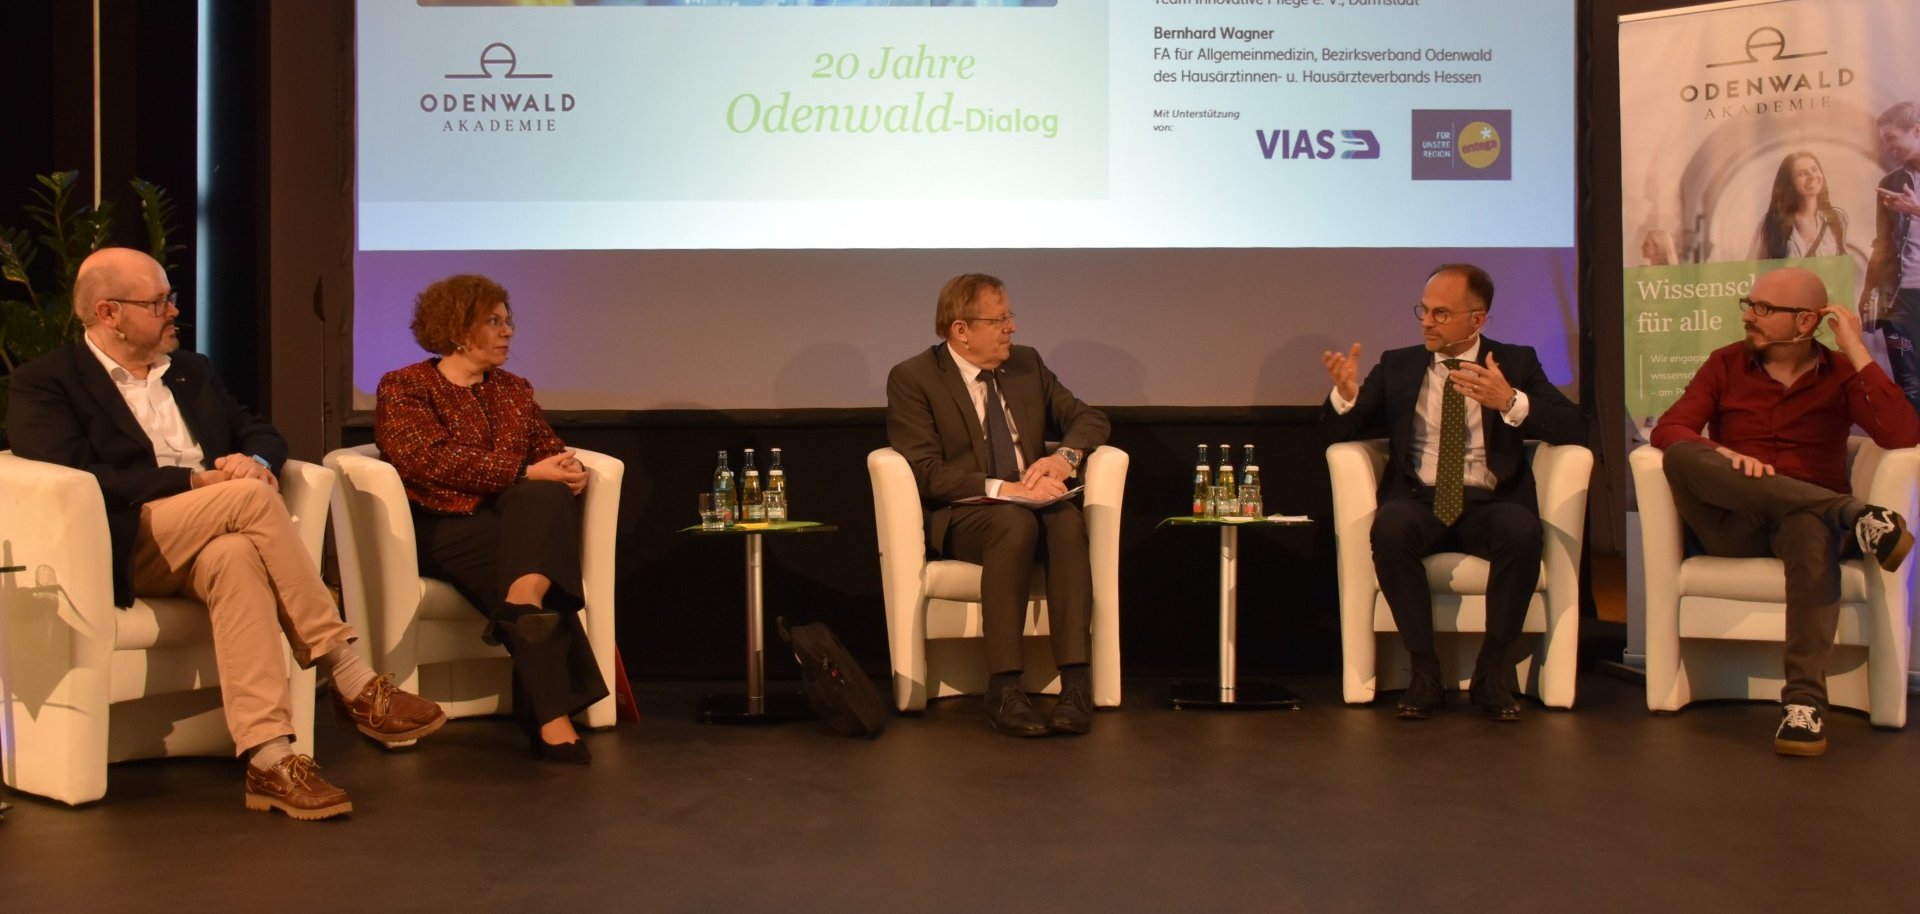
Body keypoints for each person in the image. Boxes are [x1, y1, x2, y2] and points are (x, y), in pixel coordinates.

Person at [6, 247, 446, 821]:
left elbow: (258, 430)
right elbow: (79, 476)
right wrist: (197, 480)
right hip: (124, 539)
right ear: (108, 313)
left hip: (214, 534)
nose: (173, 313)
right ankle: (350, 673)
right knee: (243, 501)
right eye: (158, 302)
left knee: (237, 554)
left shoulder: (191, 370)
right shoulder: (47, 382)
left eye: (172, 299)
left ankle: (270, 757)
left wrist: (258, 463)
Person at [1652, 266, 1919, 757]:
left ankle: (1804, 704)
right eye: (1748, 305)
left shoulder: (1839, 372)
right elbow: (1669, 429)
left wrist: (1857, 350)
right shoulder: (1725, 364)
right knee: (1684, 455)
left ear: (1804, 323)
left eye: (1763, 309)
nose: (1749, 316)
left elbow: (1903, 436)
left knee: (1807, 529)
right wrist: (1725, 456)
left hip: (1804, 524)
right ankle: (1853, 514)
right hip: (1733, 524)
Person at [1321, 264, 1586, 722]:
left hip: (1489, 502)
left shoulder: (1516, 361)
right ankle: (1424, 670)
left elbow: (1574, 426)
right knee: (1390, 527)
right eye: (1423, 310)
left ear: (1477, 320)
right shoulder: (1398, 365)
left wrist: (1509, 401)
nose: (1426, 321)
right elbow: (1339, 431)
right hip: (1421, 500)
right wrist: (1344, 395)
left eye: (1441, 314)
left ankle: (1491, 671)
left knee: (1522, 532)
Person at [374, 274, 607, 764]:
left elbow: (547, 449)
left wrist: (571, 468)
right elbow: (425, 459)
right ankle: (550, 712)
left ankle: (522, 606)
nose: (509, 332)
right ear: (459, 330)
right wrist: (524, 471)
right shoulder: (406, 386)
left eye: (508, 321)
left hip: (511, 522)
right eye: (494, 322)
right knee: (532, 503)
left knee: (544, 499)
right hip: (443, 524)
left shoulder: (514, 390)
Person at [884, 273, 1110, 737]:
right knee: (1014, 525)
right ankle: (1004, 688)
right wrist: (1006, 490)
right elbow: (927, 471)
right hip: (968, 512)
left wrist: (1063, 459)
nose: (1012, 328)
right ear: (960, 330)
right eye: (999, 319)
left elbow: (1089, 418)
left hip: (1036, 503)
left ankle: (1075, 685)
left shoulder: (1026, 365)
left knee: (1067, 522)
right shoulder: (914, 378)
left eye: (1011, 316)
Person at [1862, 102, 1920, 417]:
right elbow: (1882, 244)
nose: (1889, 146)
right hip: (1901, 297)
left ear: (1917, 130)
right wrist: (1871, 295)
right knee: (1909, 385)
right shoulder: (1890, 184)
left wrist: (1916, 211)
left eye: (1892, 137)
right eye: (1884, 140)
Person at [1749, 151, 1849, 261]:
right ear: (1789, 182)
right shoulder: (1771, 224)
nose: (1812, 177)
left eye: (1814, 169)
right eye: (1802, 173)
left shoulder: (1836, 219)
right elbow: (1752, 269)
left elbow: (1842, 266)